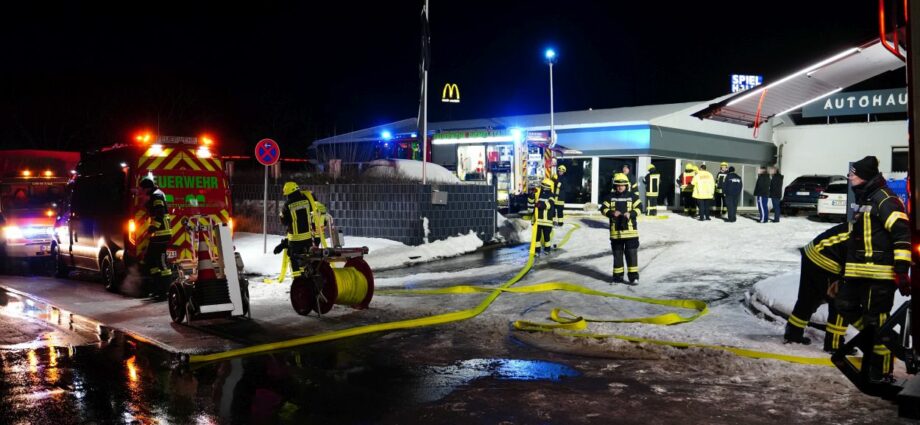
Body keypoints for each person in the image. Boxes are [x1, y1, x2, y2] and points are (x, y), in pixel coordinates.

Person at [835, 156, 911, 383]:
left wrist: (901, 270)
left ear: (864, 176)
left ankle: (882, 372)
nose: (849, 177)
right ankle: (883, 338)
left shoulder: (885, 199)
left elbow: (902, 234)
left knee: (877, 321)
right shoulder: (865, 198)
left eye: (853, 174)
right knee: (843, 304)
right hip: (858, 272)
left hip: (879, 274)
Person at [784, 222, 850, 352]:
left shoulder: (867, 227)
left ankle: (793, 334)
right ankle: (834, 345)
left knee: (808, 297)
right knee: (841, 303)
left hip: (812, 253)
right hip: (827, 261)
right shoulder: (874, 236)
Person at [601, 173, 642, 285]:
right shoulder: (609, 197)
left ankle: (633, 278)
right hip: (616, 233)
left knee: (631, 255)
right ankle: (617, 278)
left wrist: (631, 213)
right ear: (615, 186)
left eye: (622, 185)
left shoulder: (633, 196)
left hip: (631, 233)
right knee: (617, 256)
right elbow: (603, 209)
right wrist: (612, 213)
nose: (620, 187)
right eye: (618, 185)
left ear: (626, 185)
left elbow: (640, 208)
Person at [275, 181, 321, 277]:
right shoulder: (307, 200)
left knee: (294, 258)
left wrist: (281, 215)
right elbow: (314, 208)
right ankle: (307, 275)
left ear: (288, 193)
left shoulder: (287, 205)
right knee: (307, 257)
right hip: (308, 237)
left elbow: (285, 222)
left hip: (295, 239)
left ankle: (297, 278)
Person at [139, 176, 174, 295]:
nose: (142, 192)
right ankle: (157, 288)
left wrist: (151, 229)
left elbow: (159, 214)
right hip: (158, 235)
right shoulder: (155, 194)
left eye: (142, 189)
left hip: (161, 234)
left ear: (147, 188)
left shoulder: (157, 196)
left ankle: (165, 290)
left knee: (161, 262)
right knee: (151, 260)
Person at [531, 178, 557, 255]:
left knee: (546, 237)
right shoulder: (539, 194)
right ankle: (537, 251)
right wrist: (531, 194)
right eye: (542, 185)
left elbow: (549, 205)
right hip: (538, 220)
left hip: (547, 221)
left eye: (544, 185)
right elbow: (531, 202)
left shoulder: (551, 196)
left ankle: (547, 249)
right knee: (537, 237)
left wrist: (540, 205)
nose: (542, 187)